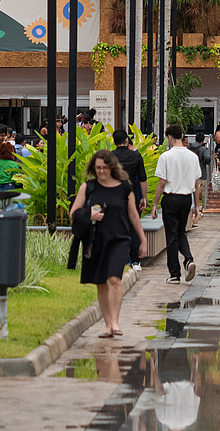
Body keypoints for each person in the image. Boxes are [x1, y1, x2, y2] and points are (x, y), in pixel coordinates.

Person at [70, 151, 144, 337]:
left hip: (120, 239)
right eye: (98, 168)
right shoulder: (88, 187)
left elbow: (133, 215)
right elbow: (74, 213)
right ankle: (107, 325)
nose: (101, 171)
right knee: (101, 283)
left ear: (112, 167)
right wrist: (90, 215)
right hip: (95, 241)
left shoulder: (125, 188)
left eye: (104, 167)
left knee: (114, 279)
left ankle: (115, 323)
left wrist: (142, 239)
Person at [153, 124, 202, 284]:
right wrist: (196, 205)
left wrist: (155, 204)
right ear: (182, 135)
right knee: (180, 232)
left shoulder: (166, 157)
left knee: (171, 236)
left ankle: (174, 273)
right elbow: (196, 184)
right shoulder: (193, 156)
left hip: (171, 198)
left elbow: (162, 183)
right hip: (186, 199)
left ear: (170, 137)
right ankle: (188, 259)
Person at [111, 127, 148, 211]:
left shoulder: (110, 156)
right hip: (132, 192)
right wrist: (144, 197)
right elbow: (142, 178)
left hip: (114, 193)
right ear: (127, 140)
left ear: (114, 142)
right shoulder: (136, 156)